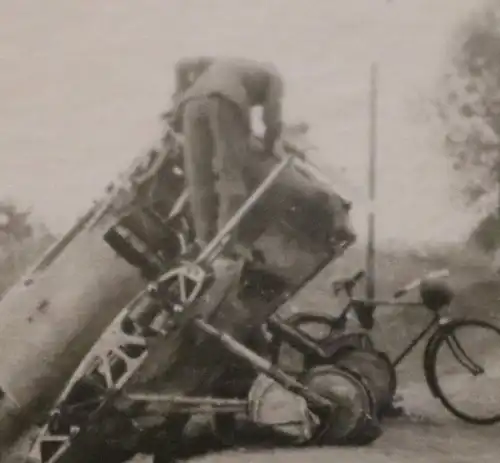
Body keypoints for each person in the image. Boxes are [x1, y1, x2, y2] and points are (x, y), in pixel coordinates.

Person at [169, 56, 285, 258]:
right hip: (226, 102)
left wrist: (177, 99)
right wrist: (268, 148)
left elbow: (181, 64)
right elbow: (272, 118)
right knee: (230, 175)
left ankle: (203, 240)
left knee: (198, 178)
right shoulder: (274, 77)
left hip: (191, 102)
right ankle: (224, 245)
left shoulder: (225, 62)